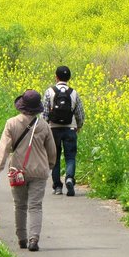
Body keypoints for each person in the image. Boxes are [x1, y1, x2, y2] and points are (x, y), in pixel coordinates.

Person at [0, 89, 56, 252]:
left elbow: (4, 148)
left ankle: (22, 238)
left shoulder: (11, 123)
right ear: (37, 108)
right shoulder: (43, 125)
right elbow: (52, 151)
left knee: (20, 205)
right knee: (35, 206)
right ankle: (34, 239)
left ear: (22, 106)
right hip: (39, 171)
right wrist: (49, 165)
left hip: (17, 171)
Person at [43, 65, 85, 197]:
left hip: (53, 129)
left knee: (54, 158)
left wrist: (44, 129)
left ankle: (57, 187)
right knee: (70, 156)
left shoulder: (49, 91)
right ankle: (69, 178)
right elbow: (79, 113)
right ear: (69, 78)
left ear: (56, 77)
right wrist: (79, 125)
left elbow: (44, 114)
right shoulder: (74, 93)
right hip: (70, 128)